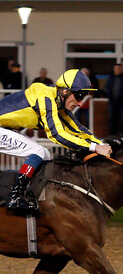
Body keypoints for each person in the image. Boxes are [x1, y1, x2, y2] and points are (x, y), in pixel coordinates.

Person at [0, 69, 111, 214]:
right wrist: (94, 148)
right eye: (78, 96)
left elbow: (78, 129)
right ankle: (15, 196)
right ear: (65, 91)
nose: (79, 103)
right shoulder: (46, 98)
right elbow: (57, 135)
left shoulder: (58, 102)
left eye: (83, 97)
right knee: (38, 151)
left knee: (45, 154)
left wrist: (101, 144)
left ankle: (23, 191)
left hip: (5, 128)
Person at [105, 63, 123, 135]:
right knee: (112, 120)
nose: (117, 70)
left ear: (121, 69)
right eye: (116, 68)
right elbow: (107, 88)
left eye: (119, 68)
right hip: (112, 102)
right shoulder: (111, 78)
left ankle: (122, 136)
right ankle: (112, 136)